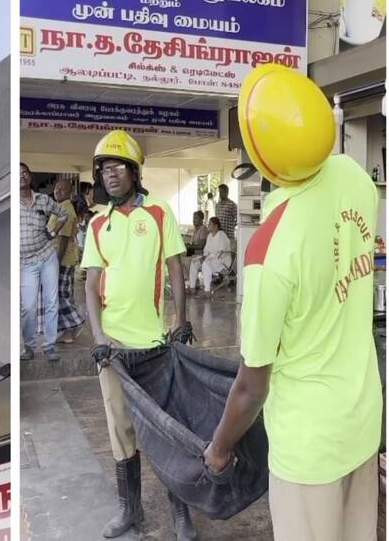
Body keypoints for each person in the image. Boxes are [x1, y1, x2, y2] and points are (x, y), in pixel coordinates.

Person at [204, 64, 381, 541]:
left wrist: (219, 449)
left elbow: (251, 386)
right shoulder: (354, 179)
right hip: (363, 422)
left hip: (310, 450)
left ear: (258, 156)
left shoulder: (268, 251)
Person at [81, 130, 196, 540]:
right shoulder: (97, 225)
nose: (109, 175)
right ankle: (130, 511)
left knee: (165, 431)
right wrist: (98, 337)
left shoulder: (160, 213)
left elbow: (177, 271)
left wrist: (180, 323)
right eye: (103, 170)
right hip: (112, 349)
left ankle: (180, 513)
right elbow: (91, 286)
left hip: (155, 345)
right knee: (120, 430)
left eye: (116, 167)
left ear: (133, 172)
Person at [20, 162, 68, 361]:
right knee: (28, 306)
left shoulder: (42, 200)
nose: (21, 176)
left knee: (51, 302)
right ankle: (29, 346)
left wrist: (53, 232)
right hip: (26, 262)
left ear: (30, 177)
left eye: (25, 173)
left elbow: (63, 214)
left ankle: (49, 346)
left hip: (47, 256)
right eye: (17, 174)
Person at [51, 179, 86, 343]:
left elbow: (64, 239)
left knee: (60, 295)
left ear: (70, 193)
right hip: (60, 258)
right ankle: (67, 333)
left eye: (62, 189)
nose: (58, 191)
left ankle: (75, 324)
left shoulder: (65, 210)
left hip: (62, 259)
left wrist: (55, 264)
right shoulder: (60, 208)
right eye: (57, 188)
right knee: (63, 295)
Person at [187, 217, 231, 296]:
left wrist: (206, 258)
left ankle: (207, 290)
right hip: (211, 260)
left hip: (222, 262)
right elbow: (206, 251)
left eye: (210, 224)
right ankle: (192, 287)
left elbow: (220, 253)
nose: (208, 225)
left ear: (216, 226)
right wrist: (203, 257)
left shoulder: (222, 235)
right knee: (194, 262)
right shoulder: (209, 236)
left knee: (205, 264)